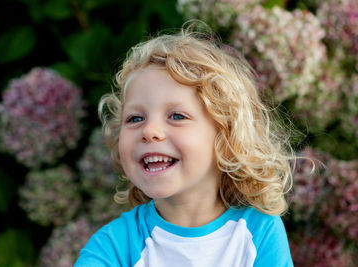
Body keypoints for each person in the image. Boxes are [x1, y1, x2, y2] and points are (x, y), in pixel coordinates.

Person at [75, 24, 295, 267]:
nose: (149, 131)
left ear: (226, 137)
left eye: (177, 116)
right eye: (135, 119)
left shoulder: (259, 232)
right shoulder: (112, 247)